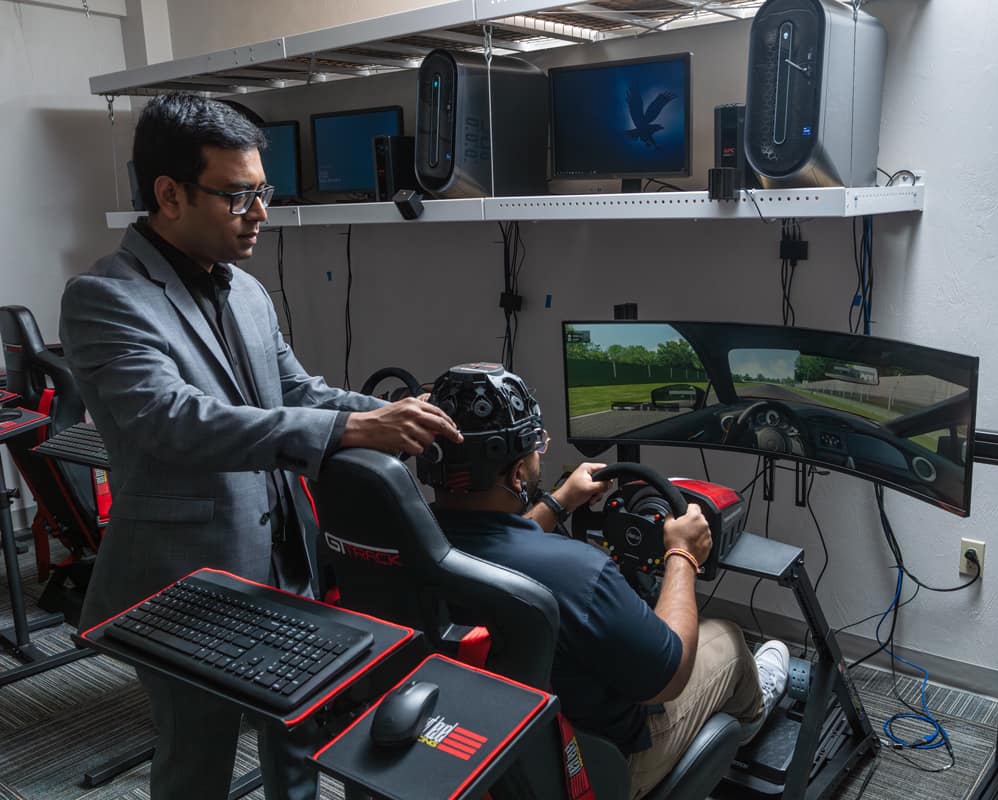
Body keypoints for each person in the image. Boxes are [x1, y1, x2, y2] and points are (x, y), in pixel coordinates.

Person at [59, 94, 462, 800]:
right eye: (239, 195)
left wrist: (402, 412)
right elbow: (173, 421)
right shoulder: (105, 297)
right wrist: (348, 431)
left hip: (287, 556)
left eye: (262, 191)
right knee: (199, 757)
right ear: (170, 195)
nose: (261, 213)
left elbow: (295, 392)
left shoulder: (244, 288)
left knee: (301, 731)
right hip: (185, 578)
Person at [416, 363, 791, 799]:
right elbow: (668, 677)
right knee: (728, 637)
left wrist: (560, 502)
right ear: (518, 474)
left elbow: (492, 543)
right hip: (591, 767)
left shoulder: (408, 541)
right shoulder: (577, 572)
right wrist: (682, 555)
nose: (541, 453)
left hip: (482, 748)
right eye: (536, 446)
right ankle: (753, 713)